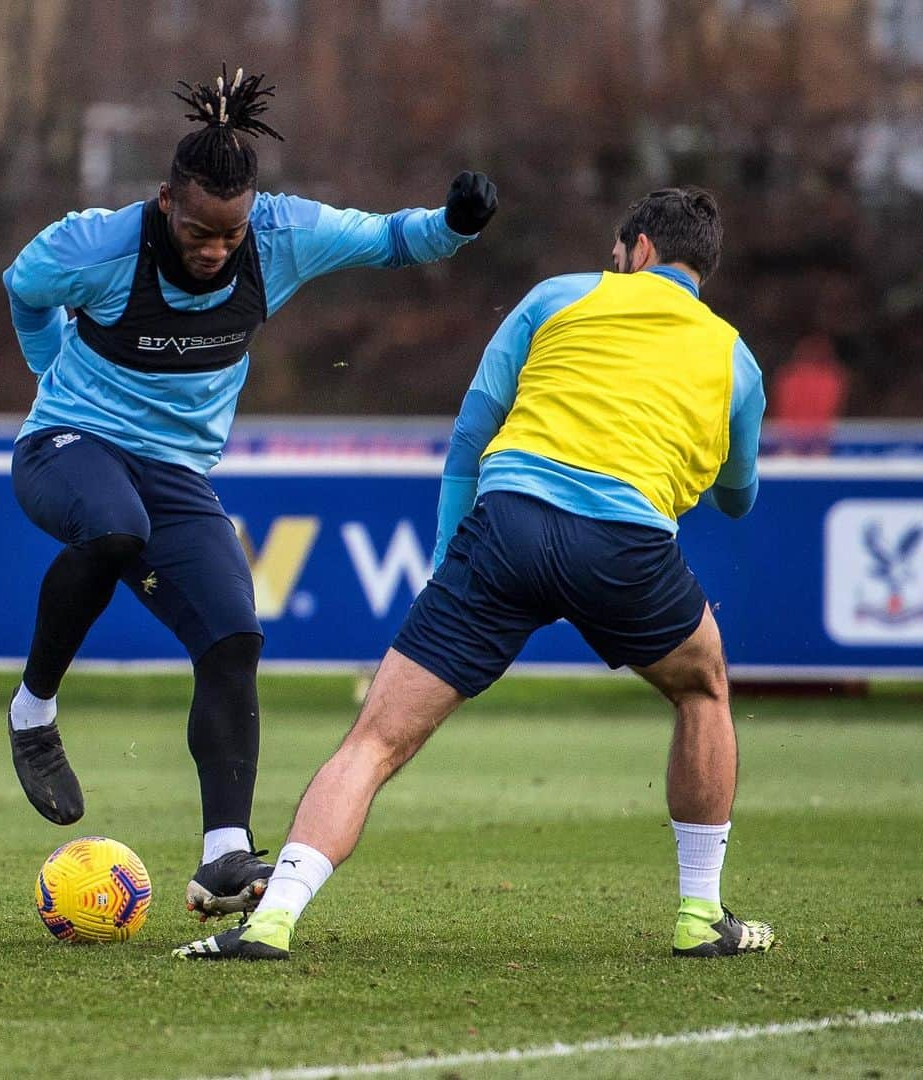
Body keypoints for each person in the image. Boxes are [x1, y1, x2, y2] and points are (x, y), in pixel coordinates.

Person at [175, 186, 774, 962]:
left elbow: (470, 436)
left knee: (377, 738)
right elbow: (739, 497)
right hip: (627, 545)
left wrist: (445, 564)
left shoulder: (559, 295)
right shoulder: (737, 360)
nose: (611, 266)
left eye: (617, 256)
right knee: (703, 688)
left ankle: (271, 920)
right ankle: (700, 917)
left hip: (508, 527)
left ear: (641, 250)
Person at [2, 66, 498, 920]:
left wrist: (456, 223)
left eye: (228, 238)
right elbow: (24, 288)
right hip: (66, 447)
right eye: (198, 232)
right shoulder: (96, 246)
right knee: (114, 526)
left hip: (176, 474)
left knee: (235, 635)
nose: (214, 250)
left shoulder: (282, 235)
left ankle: (223, 858)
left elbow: (391, 239)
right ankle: (34, 709)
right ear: (165, 202)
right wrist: (50, 372)